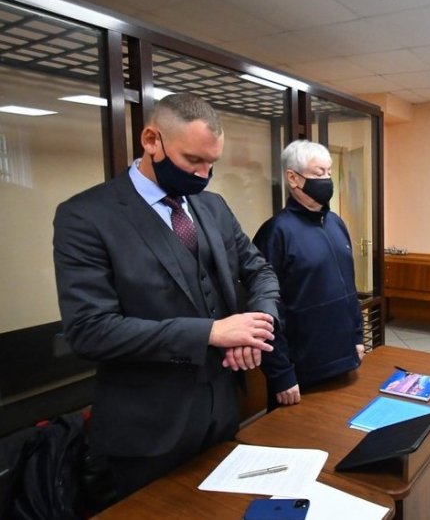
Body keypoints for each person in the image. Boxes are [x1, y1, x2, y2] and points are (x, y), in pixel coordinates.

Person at [52, 93, 281, 503]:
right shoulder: (86, 216)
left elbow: (259, 270)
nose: (203, 174)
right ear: (151, 140)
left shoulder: (213, 207)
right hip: (148, 429)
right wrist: (210, 333)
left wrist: (257, 325)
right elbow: (90, 330)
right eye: (193, 160)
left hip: (222, 410)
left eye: (212, 163)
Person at [252, 140, 364, 408]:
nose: (327, 179)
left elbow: (348, 287)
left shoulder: (336, 223)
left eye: (329, 172)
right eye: (318, 173)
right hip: (301, 374)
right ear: (293, 178)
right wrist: (281, 373)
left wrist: (358, 337)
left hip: (346, 362)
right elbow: (265, 312)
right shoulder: (276, 232)